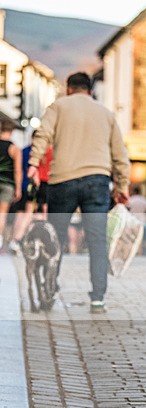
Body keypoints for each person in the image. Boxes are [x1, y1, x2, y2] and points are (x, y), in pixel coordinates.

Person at [28, 72, 130, 313]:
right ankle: (98, 298)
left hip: (63, 179)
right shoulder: (106, 114)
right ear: (90, 91)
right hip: (97, 179)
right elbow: (120, 153)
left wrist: (33, 162)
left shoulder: (58, 107)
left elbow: (43, 134)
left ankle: (49, 289)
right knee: (97, 240)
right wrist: (122, 186)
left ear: (68, 88)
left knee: (55, 238)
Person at [0, 119, 22, 250]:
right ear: (12, 131)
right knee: (2, 213)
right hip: (7, 184)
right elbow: (18, 171)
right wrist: (18, 188)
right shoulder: (14, 148)